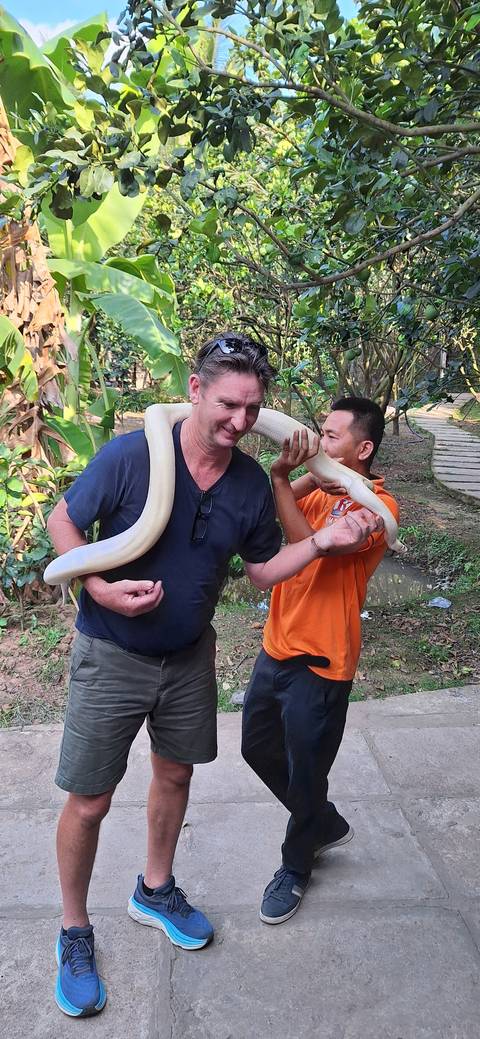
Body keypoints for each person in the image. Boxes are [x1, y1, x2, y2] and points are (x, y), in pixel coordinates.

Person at [47, 337, 383, 1017]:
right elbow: (64, 520)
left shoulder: (247, 482)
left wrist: (320, 541)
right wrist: (100, 585)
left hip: (188, 657)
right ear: (195, 391)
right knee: (89, 801)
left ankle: (155, 887)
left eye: (251, 408)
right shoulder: (133, 454)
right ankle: (74, 929)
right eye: (228, 403)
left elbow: (262, 569)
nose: (238, 420)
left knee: (175, 774)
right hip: (111, 652)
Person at [241, 396, 399, 925]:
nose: (320, 441)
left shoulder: (378, 506)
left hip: (324, 661)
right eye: (320, 431)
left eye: (331, 436)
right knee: (256, 747)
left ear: (363, 447)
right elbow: (271, 523)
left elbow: (312, 545)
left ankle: (296, 863)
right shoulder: (315, 489)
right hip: (276, 645)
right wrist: (293, 476)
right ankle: (322, 822)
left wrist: (286, 480)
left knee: (308, 770)